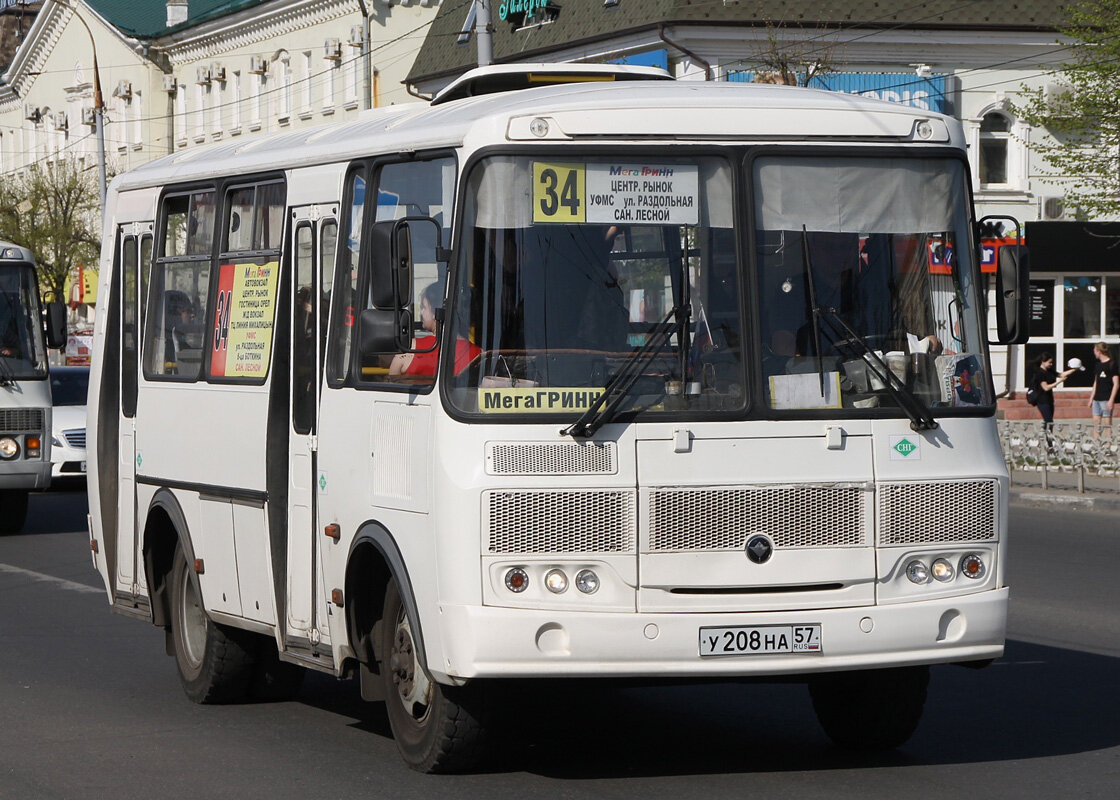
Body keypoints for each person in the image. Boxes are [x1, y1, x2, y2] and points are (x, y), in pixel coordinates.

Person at [389, 282, 479, 378]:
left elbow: (390, 386)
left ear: (436, 312)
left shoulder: (409, 349)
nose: (421, 312)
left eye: (424, 307)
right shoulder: (479, 355)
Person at [1027, 352, 1076, 433]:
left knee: (1049, 421)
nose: (1051, 364)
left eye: (1051, 362)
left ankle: (1048, 437)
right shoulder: (1040, 373)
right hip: (1041, 400)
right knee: (1049, 420)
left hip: (1049, 399)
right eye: (1049, 362)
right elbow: (1045, 387)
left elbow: (1061, 374)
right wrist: (1059, 382)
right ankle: (1049, 441)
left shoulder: (1049, 371)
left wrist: (1075, 369)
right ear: (1043, 361)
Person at [1088, 341, 1120, 436]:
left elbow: (1116, 383)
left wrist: (1111, 400)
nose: (1094, 353)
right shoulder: (1098, 365)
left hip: (1106, 398)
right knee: (1096, 422)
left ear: (1099, 351)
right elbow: (1096, 382)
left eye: (1094, 350)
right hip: (1097, 398)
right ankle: (1096, 444)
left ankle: (1108, 445)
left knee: (1107, 423)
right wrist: (1091, 398)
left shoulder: (1112, 364)